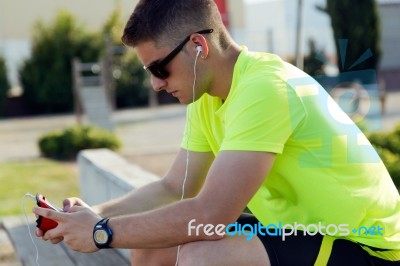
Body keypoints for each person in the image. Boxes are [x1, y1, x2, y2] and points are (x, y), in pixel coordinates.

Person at [34, 0, 400, 265]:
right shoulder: (206, 95)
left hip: (366, 246)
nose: (156, 84)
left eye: (160, 68)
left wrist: (101, 233)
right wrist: (91, 215)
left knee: (204, 254)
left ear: (198, 45)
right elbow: (171, 188)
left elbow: (210, 216)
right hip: (304, 232)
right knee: (153, 244)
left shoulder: (264, 88)